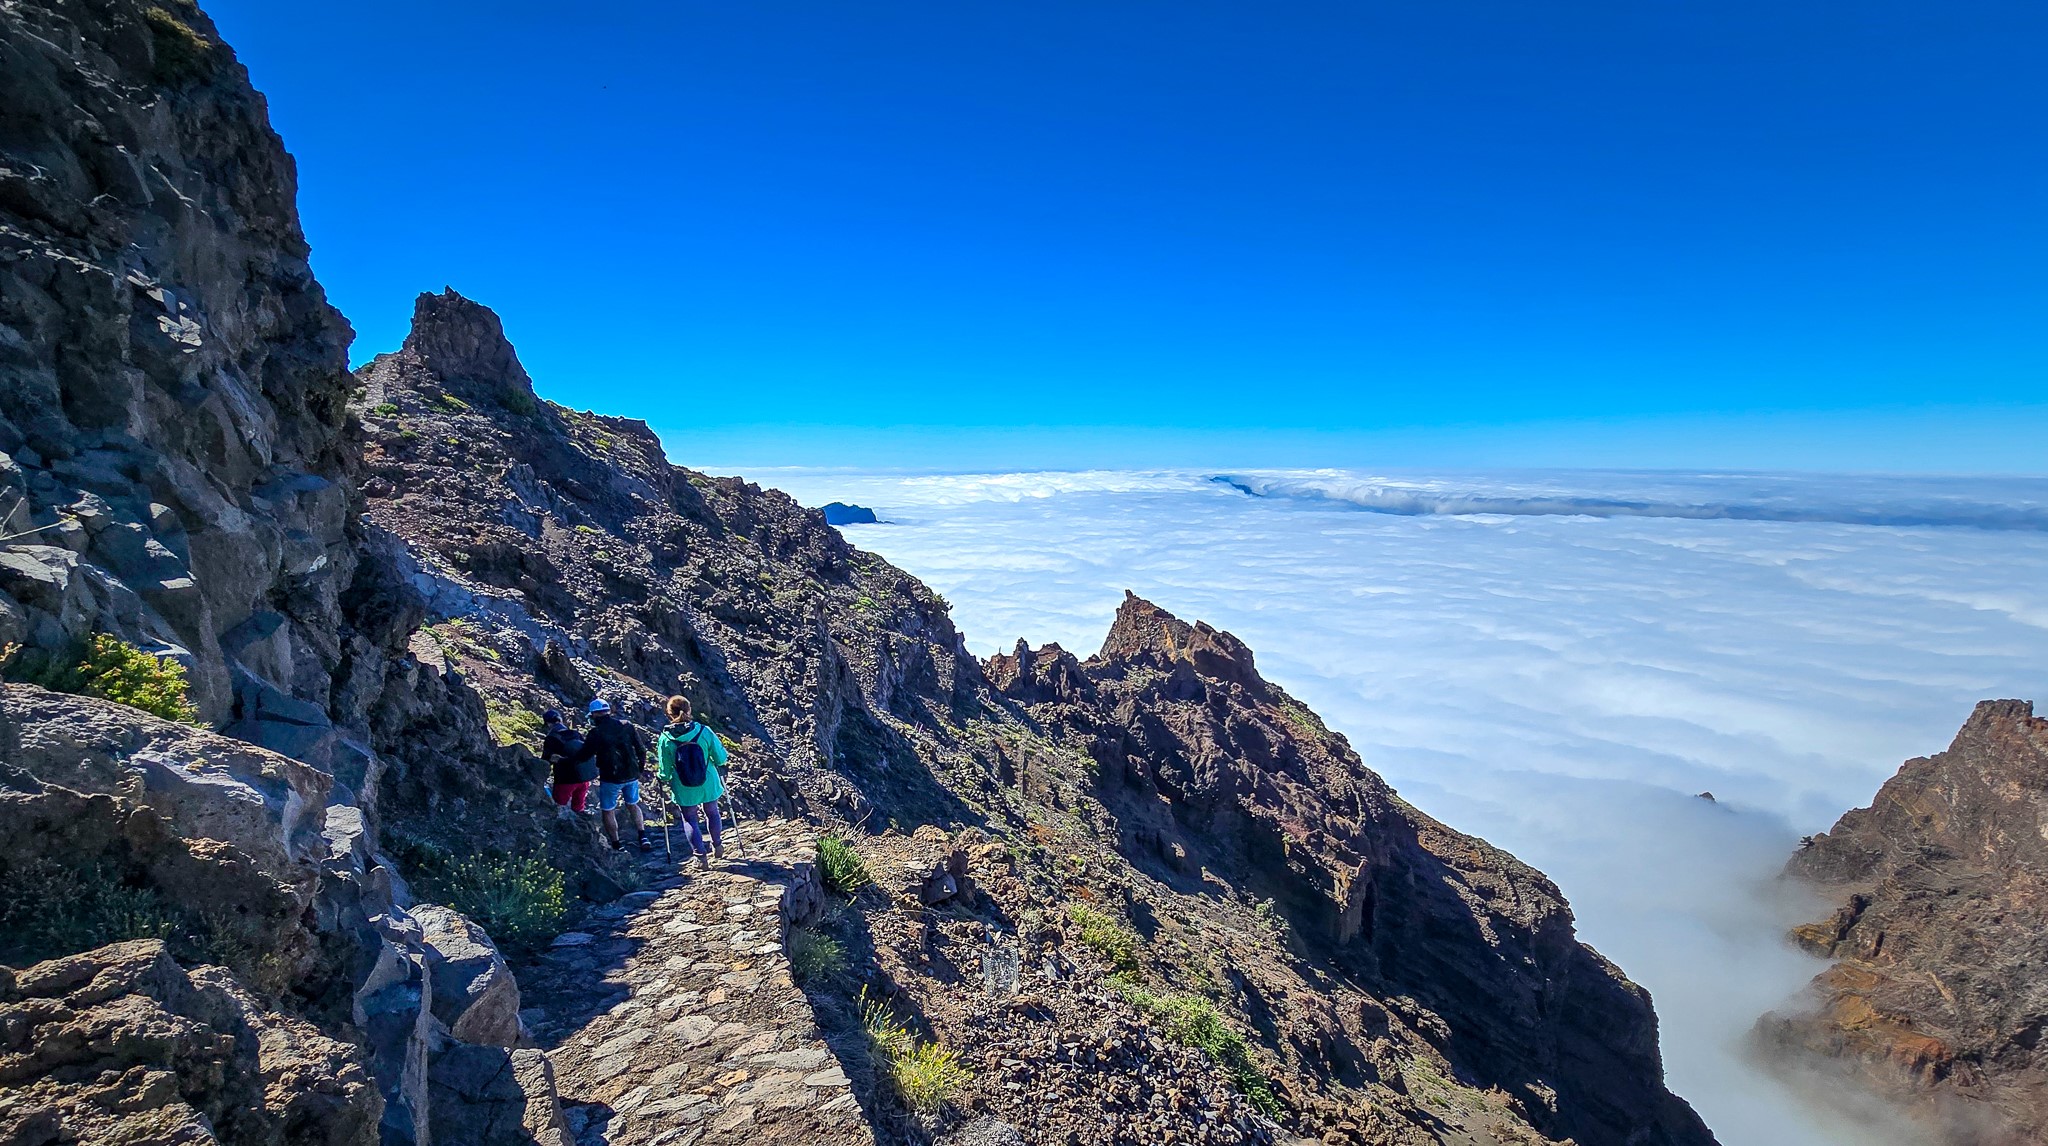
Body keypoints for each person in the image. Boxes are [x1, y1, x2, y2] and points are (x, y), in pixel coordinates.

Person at [654, 695, 729, 871]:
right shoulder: (704, 731)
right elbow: (720, 758)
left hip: (683, 784)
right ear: (689, 710)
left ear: (669, 713)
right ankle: (717, 845)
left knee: (689, 818)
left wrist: (662, 778)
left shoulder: (665, 738)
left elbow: (664, 770)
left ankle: (700, 857)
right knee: (712, 812)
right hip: (707, 780)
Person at [566, 697, 650, 850]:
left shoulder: (595, 733)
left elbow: (584, 756)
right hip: (631, 774)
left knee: (608, 810)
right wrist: (640, 769)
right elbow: (641, 750)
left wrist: (566, 760)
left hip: (610, 777)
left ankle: (617, 844)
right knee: (633, 804)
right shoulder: (627, 726)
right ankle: (643, 836)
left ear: (594, 715)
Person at [540, 709, 595, 813]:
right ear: (560, 720)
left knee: (559, 808)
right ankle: (582, 827)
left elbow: (545, 761)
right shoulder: (575, 734)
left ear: (548, 724)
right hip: (583, 778)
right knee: (579, 809)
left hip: (565, 780)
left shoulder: (551, 738)